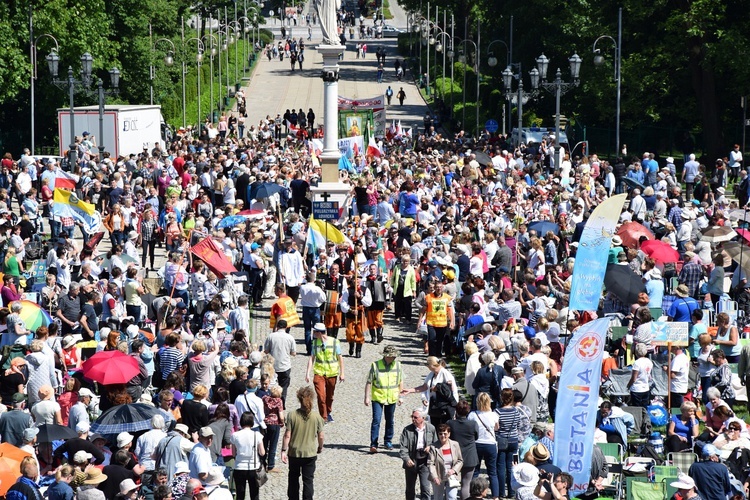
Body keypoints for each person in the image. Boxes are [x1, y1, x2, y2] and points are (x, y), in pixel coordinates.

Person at [281, 386, 325, 500]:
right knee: (308, 480)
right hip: (310, 453)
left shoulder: (292, 415)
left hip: (294, 453)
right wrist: (320, 447)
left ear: (299, 399)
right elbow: (321, 435)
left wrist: (283, 450)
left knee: (293, 478)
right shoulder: (316, 417)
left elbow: (287, 435)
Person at [364, 345, 404, 453]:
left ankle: (388, 441)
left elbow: (400, 381)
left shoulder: (398, 366)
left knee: (390, 420)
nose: (394, 358)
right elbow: (369, 382)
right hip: (378, 397)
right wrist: (367, 397)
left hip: (391, 397)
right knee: (376, 420)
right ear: (386, 356)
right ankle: (373, 444)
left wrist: (401, 396)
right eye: (392, 356)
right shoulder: (375, 365)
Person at [402, 357, 460, 427]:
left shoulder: (445, 374)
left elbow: (452, 390)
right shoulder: (431, 374)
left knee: (443, 427)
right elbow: (424, 387)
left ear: (431, 365)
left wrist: (438, 389)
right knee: (434, 426)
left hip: (445, 407)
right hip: (435, 406)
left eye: (428, 365)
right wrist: (410, 390)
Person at [306, 323, 345, 423]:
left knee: (330, 396)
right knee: (321, 396)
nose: (313, 333)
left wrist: (342, 373)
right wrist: (307, 373)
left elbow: (340, 358)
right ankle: (323, 417)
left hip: (332, 373)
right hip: (319, 373)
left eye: (315, 331)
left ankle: (328, 412)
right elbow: (312, 358)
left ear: (319, 332)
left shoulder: (334, 342)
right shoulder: (314, 343)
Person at [400, 408, 437, 500]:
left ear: (423, 418)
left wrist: (430, 447)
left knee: (425, 488)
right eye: (412, 417)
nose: (413, 419)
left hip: (425, 462)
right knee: (410, 488)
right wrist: (407, 459)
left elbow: (436, 444)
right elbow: (403, 447)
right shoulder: (407, 430)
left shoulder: (431, 428)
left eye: (415, 417)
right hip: (411, 461)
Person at [446, 400, 479, 500]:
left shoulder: (450, 423)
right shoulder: (473, 424)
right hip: (469, 456)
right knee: (466, 483)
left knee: (451, 481)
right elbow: (476, 437)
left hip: (454, 456)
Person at [418, 279, 455, 358]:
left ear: (443, 288)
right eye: (437, 287)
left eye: (440, 287)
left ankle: (438, 355)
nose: (439, 289)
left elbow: (450, 311)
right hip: (431, 322)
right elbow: (423, 310)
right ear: (434, 288)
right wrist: (420, 320)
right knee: (431, 339)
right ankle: (432, 356)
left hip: (442, 323)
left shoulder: (447, 298)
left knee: (439, 341)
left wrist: (452, 321)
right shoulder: (428, 297)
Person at [428, 423, 464, 500]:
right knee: (438, 498)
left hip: (452, 476)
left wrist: (454, 470)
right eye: (440, 434)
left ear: (449, 434)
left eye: (445, 433)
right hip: (438, 476)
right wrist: (435, 477)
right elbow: (431, 463)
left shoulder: (455, 444)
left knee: (452, 497)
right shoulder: (433, 447)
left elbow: (460, 460)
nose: (443, 436)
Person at [340, 272, 372, 358]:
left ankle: (358, 350)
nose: (356, 280)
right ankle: (351, 345)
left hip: (361, 315)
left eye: (358, 278)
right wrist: (351, 310)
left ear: (360, 280)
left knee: (360, 333)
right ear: (352, 280)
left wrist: (360, 297)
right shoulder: (347, 290)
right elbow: (343, 304)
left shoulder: (365, 290)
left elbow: (369, 303)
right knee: (350, 333)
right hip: (351, 315)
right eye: (355, 278)